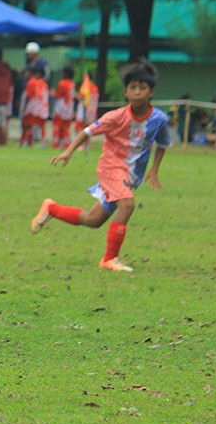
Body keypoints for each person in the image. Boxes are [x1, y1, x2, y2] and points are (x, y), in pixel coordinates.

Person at [30, 59, 170, 273]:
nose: (137, 92)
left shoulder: (159, 119)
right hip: (111, 169)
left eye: (143, 88)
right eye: (133, 87)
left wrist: (154, 169)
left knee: (93, 219)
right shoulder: (116, 116)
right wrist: (69, 151)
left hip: (129, 176)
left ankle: (52, 209)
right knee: (128, 205)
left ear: (151, 92)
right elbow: (88, 131)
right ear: (125, 92)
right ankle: (109, 258)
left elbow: (163, 144)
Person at [19, 64, 49, 147]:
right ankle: (42, 142)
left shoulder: (32, 82)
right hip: (43, 107)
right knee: (41, 126)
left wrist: (25, 107)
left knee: (28, 125)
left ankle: (28, 142)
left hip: (33, 107)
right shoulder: (43, 83)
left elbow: (30, 95)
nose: (25, 74)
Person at [51, 66, 75, 150]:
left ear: (66, 74)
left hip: (62, 108)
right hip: (69, 108)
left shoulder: (62, 83)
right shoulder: (72, 83)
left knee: (56, 126)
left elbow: (59, 96)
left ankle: (55, 143)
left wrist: (53, 94)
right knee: (66, 127)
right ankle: (66, 144)